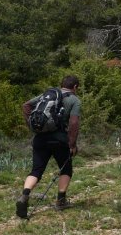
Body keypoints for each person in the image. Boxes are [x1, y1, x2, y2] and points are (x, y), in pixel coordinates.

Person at [15, 74, 81, 219]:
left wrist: (32, 126)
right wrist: (72, 144)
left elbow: (26, 106)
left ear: (61, 84)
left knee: (36, 170)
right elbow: (74, 124)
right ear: (75, 87)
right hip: (60, 140)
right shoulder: (74, 100)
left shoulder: (47, 95)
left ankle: (25, 195)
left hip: (40, 139)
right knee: (66, 169)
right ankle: (61, 201)